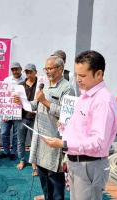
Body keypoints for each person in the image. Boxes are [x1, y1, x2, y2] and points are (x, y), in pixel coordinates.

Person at [42, 50, 117, 200]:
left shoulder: (103, 101)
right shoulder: (86, 95)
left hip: (89, 166)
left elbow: (98, 143)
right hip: (77, 163)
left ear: (98, 74)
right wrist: (64, 127)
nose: (78, 79)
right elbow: (81, 128)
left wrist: (64, 143)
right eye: (77, 75)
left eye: (83, 76)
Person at [29, 56, 75, 200]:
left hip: (54, 139)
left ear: (60, 69)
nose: (47, 71)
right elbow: (35, 105)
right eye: (46, 68)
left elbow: (67, 114)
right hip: (40, 138)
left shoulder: (67, 88)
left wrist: (45, 101)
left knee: (55, 178)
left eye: (50, 68)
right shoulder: (44, 85)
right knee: (43, 177)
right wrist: (21, 102)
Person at [0, 62, 25, 160]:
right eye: (13, 69)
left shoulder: (25, 80)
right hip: (6, 111)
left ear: (21, 69)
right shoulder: (6, 80)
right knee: (4, 132)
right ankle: (5, 151)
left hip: (19, 112)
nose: (15, 71)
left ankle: (13, 152)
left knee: (16, 133)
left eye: (17, 69)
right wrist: (4, 112)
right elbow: (1, 95)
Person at [16, 63, 39, 176]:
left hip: (36, 117)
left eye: (30, 71)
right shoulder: (20, 85)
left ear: (36, 72)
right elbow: (14, 99)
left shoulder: (41, 84)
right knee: (21, 141)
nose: (28, 74)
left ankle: (34, 164)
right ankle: (22, 160)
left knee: (35, 142)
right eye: (27, 72)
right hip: (22, 117)